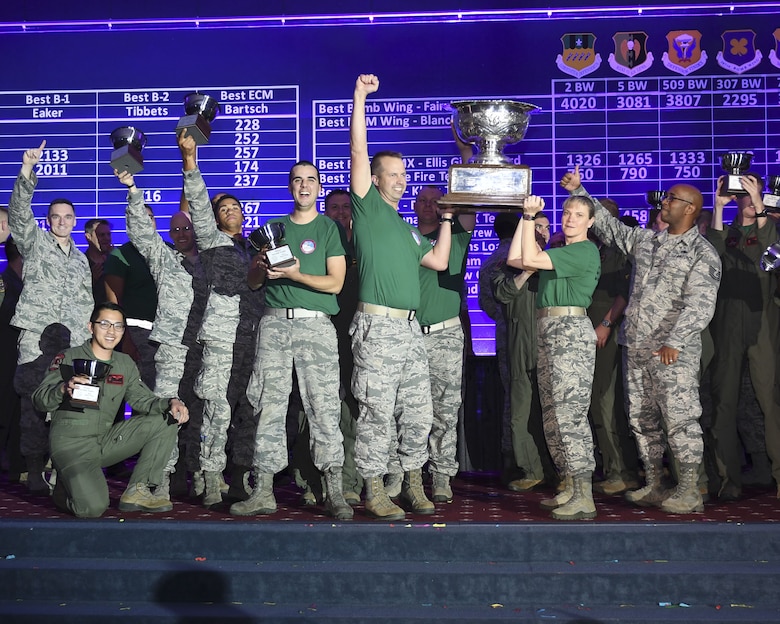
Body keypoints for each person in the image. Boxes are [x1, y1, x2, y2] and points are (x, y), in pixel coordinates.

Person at [565, 166, 721, 514]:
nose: (664, 202)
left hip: (672, 352)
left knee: (680, 419)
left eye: (671, 199)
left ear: (691, 208)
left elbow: (700, 305)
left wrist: (676, 341)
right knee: (642, 419)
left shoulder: (702, 253)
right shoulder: (648, 241)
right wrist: (581, 190)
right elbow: (611, 227)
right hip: (636, 348)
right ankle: (654, 483)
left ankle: (690, 488)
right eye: (666, 197)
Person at [349, 74, 454, 520]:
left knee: (418, 410)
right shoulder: (368, 209)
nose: (399, 181)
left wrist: (447, 217)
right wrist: (359, 98)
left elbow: (439, 261)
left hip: (410, 330)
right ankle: (374, 488)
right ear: (374, 180)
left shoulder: (408, 230)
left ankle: (412, 482)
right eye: (390, 174)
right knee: (376, 411)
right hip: (377, 327)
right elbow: (357, 150)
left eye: (403, 175)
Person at [231, 160, 351, 520]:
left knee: (324, 409)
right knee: (267, 407)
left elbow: (336, 284)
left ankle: (335, 491)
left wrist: (297, 274)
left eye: (310, 180)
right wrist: (259, 267)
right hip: (274, 326)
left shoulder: (329, 228)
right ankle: (263, 490)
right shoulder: (273, 230)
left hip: (316, 326)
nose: (304, 186)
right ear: (290, 187)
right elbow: (253, 283)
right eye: (297, 180)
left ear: (318, 187)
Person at [31, 302, 188, 518]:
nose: (111, 331)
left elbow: (142, 400)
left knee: (167, 419)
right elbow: (39, 400)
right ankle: (63, 492)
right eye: (104, 324)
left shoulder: (125, 364)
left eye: (118, 326)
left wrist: (171, 402)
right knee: (93, 509)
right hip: (71, 445)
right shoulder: (68, 357)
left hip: (105, 441)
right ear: (90, 327)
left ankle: (138, 490)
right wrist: (62, 388)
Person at [178, 129, 264, 508]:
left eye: (236, 207)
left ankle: (240, 473)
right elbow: (197, 202)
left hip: (254, 337)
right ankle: (210, 476)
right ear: (215, 219)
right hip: (220, 336)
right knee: (215, 406)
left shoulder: (259, 246)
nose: (231, 212)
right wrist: (190, 160)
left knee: (247, 408)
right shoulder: (212, 242)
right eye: (223, 209)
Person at [114, 169, 207, 501]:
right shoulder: (164, 259)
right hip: (169, 347)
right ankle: (159, 480)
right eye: (176, 229)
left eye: (187, 228)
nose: (181, 234)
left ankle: (199, 477)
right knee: (166, 411)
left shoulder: (212, 262)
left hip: (206, 350)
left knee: (201, 414)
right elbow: (141, 232)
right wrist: (132, 189)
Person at [507, 192, 601, 520]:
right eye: (567, 212)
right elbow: (518, 260)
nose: (570, 218)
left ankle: (584, 493)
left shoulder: (584, 250)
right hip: (549, 331)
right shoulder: (558, 251)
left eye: (578, 214)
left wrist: (530, 218)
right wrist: (525, 218)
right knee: (554, 416)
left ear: (590, 221)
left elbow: (529, 260)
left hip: (570, 332)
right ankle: (572, 488)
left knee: (569, 415)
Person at [8, 140, 93, 495]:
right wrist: (27, 170)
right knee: (33, 402)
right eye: (56, 216)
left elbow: (87, 301)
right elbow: (17, 213)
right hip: (36, 337)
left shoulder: (82, 259)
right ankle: (31, 468)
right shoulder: (35, 243)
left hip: (71, 343)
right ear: (48, 220)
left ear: (74, 221)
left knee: (73, 403)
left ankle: (64, 466)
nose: (61, 221)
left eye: (68, 217)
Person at [706, 173, 780, 500]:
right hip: (726, 321)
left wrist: (763, 210)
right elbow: (712, 261)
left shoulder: (773, 229)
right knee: (724, 402)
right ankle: (727, 480)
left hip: (762, 318)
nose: (749, 200)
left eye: (754, 194)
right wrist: (719, 208)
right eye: (744, 195)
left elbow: (771, 258)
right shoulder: (725, 231)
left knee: (770, 401)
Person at [401, 184, 474, 504]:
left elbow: (470, 205)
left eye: (436, 201)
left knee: (445, 410)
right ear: (414, 206)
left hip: (445, 334)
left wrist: (467, 156)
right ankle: (406, 474)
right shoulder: (404, 236)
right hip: (408, 333)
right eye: (424, 201)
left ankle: (442, 476)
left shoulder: (457, 233)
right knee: (406, 411)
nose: (429, 205)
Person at [493, 212, 558, 493]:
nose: (542, 232)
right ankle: (531, 469)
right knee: (521, 411)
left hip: (552, 343)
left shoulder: (557, 262)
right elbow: (502, 295)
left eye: (545, 227)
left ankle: (561, 470)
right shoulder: (505, 266)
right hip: (521, 343)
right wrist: (526, 270)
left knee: (556, 411)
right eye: (536, 226)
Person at [586, 198, 639, 496]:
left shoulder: (621, 251)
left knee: (605, 400)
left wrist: (606, 323)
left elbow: (624, 291)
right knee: (598, 400)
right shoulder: (596, 249)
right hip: (593, 330)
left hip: (607, 331)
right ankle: (613, 467)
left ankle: (621, 470)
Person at [104, 208, 159, 389]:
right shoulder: (120, 255)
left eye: (149, 217)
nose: (146, 222)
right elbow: (114, 303)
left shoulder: (168, 251)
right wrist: (126, 336)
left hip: (168, 333)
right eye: (140, 218)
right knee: (143, 392)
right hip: (138, 333)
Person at [84, 218, 113, 305]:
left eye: (108, 234)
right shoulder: (81, 263)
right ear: (88, 237)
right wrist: (91, 280)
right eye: (101, 235)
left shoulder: (118, 259)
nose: (107, 238)